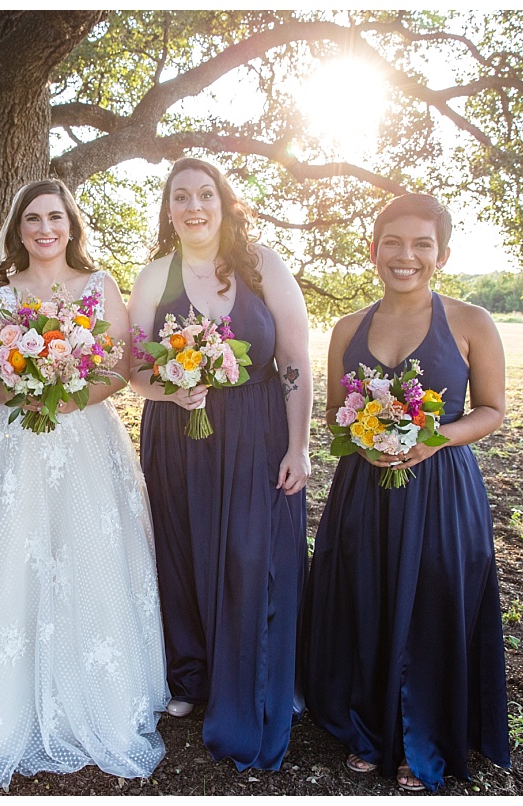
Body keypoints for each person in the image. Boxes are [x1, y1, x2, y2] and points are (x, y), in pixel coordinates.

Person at [0, 179, 168, 793]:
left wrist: (67, 398)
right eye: (32, 218)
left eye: (55, 218)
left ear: (71, 225)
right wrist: (23, 391)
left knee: (83, 552)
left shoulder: (100, 286)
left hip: (82, 436)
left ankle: (95, 696)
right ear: (17, 227)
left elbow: (118, 364)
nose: (44, 229)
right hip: (9, 441)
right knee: (11, 553)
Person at [297, 194, 510, 792]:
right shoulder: (347, 328)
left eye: (421, 244)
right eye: (392, 242)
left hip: (441, 488)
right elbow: (337, 413)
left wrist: (435, 437)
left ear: (441, 255)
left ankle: (424, 744)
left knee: (433, 602)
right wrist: (360, 439)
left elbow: (492, 410)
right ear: (374, 248)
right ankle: (367, 730)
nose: (405, 255)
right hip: (363, 489)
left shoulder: (470, 323)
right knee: (365, 597)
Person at [126, 157, 311, 770]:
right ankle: (192, 675)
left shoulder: (264, 266)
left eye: (205, 194)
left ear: (224, 202)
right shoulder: (155, 277)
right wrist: (169, 388)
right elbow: (133, 370)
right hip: (179, 433)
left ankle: (257, 679)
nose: (194, 206)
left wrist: (298, 444)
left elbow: (294, 363)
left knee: (250, 554)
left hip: (258, 431)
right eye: (181, 196)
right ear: (169, 208)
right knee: (183, 546)